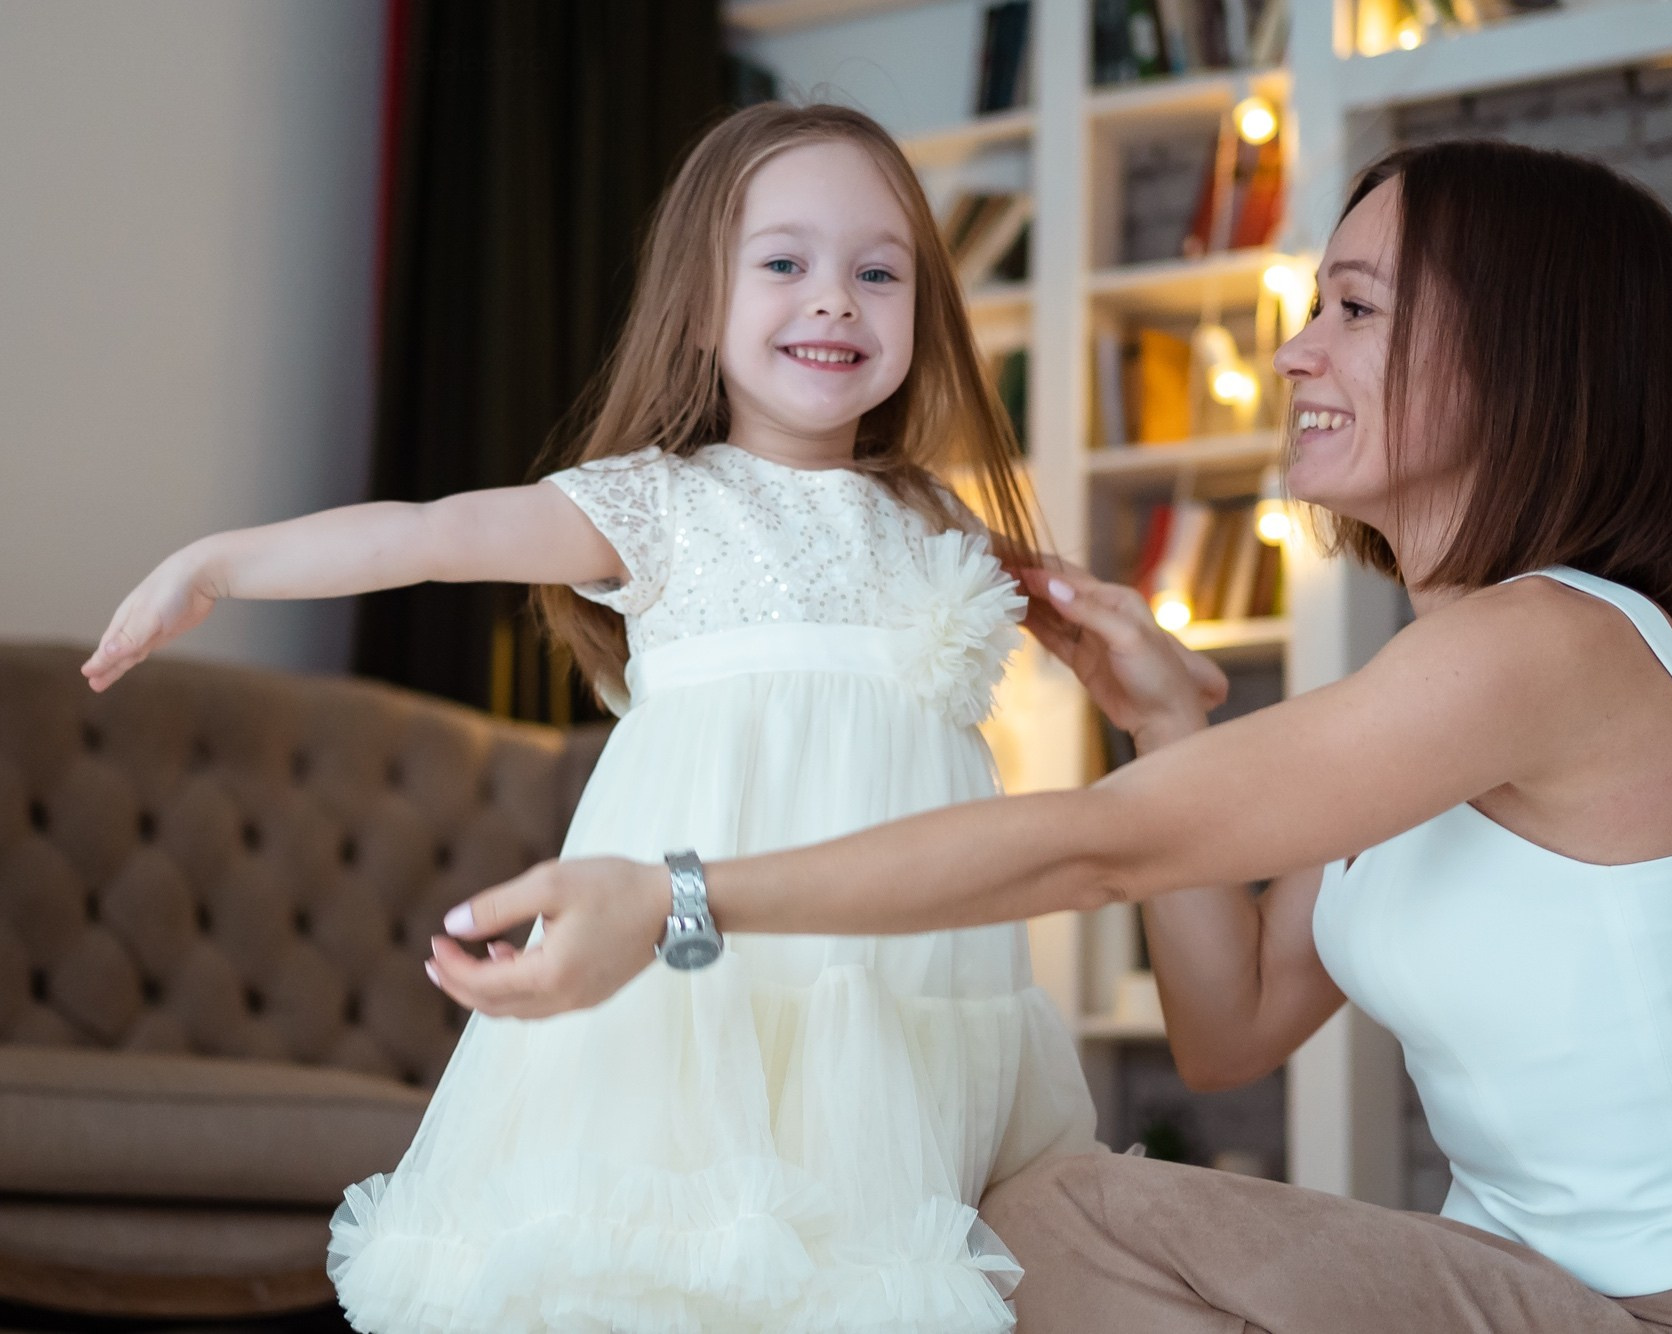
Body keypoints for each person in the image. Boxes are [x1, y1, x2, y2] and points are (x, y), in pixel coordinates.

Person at [430, 140, 1672, 1333]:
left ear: (1523, 353)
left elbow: (1101, 849)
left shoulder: (1549, 644)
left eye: (1355, 308)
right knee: (1014, 1225)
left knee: (1039, 1222)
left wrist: (677, 896)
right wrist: (1165, 720)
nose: (1295, 349)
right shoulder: (1434, 687)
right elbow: (1231, 1027)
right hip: (1522, 1286)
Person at [80, 103, 1101, 1334]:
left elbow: (1079, 635)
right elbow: (428, 532)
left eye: (877, 273)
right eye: (784, 263)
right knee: (690, 1264)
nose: (834, 299)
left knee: (876, 1272)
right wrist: (214, 564)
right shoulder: (659, 505)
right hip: (701, 980)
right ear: (699, 303)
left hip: (902, 988)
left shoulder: (934, 518)